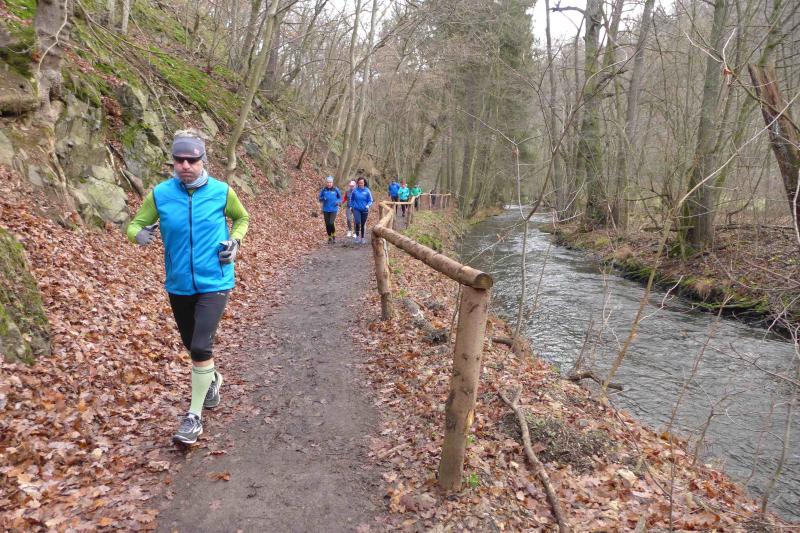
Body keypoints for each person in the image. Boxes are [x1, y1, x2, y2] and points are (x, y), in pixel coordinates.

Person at [127, 132, 250, 445]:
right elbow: (135, 224)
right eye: (179, 160)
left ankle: (194, 417)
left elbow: (242, 218)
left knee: (200, 347)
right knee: (191, 345)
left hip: (215, 281)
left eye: (192, 160)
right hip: (179, 284)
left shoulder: (222, 192)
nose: (185, 165)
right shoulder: (160, 195)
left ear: (202, 161)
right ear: (172, 162)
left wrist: (235, 241)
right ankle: (213, 379)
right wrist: (137, 235)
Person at [349, 177, 373, 244]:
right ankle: (357, 237)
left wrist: (368, 205)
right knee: (357, 222)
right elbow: (351, 199)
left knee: (363, 224)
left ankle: (362, 238)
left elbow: (370, 200)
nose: (360, 184)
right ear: (358, 183)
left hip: (364, 209)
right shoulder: (355, 191)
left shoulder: (367, 191)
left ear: (364, 183)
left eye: (362, 183)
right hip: (356, 209)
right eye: (359, 183)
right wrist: (351, 206)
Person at [318, 176, 342, 243]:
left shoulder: (335, 189)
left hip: (334, 209)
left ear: (332, 183)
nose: (329, 184)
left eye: (330, 182)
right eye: (328, 182)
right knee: (327, 224)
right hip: (325, 209)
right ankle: (329, 237)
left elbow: (340, 198)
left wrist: (337, 201)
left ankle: (333, 235)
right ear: (326, 183)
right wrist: (323, 198)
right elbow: (320, 198)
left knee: (331, 223)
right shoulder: (324, 190)